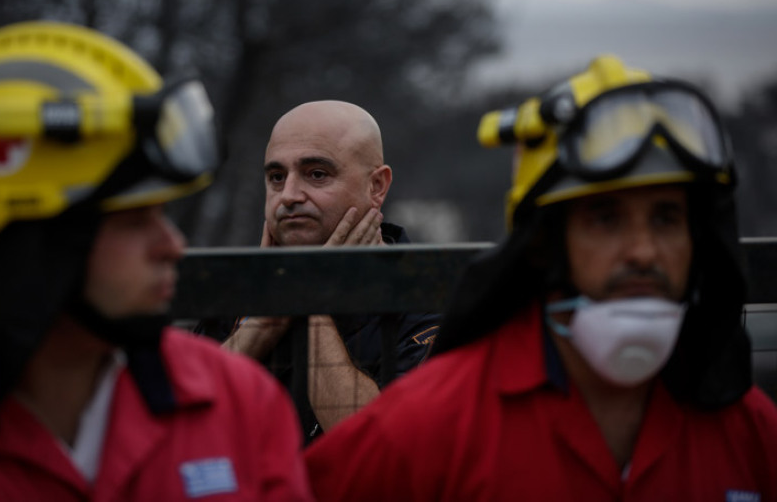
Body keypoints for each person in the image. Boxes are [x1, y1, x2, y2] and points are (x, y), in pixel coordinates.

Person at [305, 55, 777, 500]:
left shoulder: (752, 431)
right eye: (606, 219)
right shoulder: (437, 421)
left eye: (667, 218)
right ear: (546, 243)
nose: (643, 251)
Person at [0, 21, 313, 501]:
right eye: (133, 221)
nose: (171, 245)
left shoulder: (237, 402)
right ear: (32, 240)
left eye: (163, 214)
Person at [216, 100, 440, 440]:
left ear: (377, 186)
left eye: (316, 174)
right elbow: (176, 425)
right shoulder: (231, 293)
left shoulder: (432, 299)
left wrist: (309, 300)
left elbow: (379, 449)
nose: (288, 195)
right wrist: (265, 319)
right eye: (276, 177)